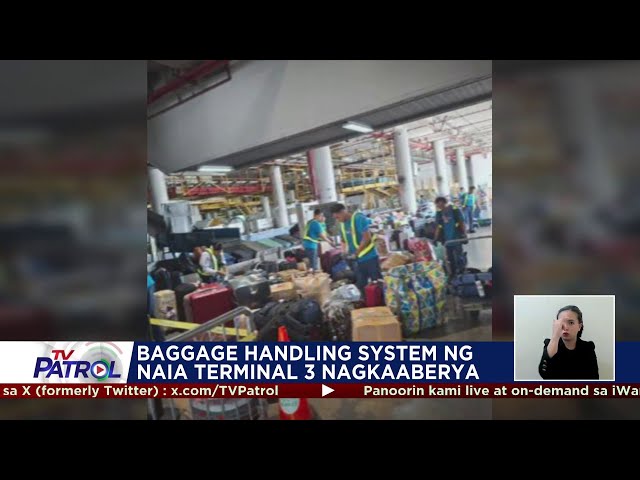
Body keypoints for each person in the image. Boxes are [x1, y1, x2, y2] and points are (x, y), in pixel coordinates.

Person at [331, 203, 381, 293]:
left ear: (343, 212)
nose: (337, 220)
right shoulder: (342, 225)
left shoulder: (358, 218)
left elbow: (366, 238)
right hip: (357, 261)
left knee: (377, 283)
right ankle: (367, 304)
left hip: (369, 258)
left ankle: (382, 305)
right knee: (361, 286)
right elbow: (343, 240)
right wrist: (344, 251)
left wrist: (356, 253)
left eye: (338, 217)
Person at [539, 305, 599, 380]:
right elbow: (544, 374)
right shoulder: (550, 345)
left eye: (570, 323)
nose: (566, 327)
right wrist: (555, 336)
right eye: (561, 323)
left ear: (579, 326)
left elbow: (594, 378)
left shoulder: (588, 347)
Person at [434, 196, 466, 276]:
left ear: (444, 202)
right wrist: (435, 238)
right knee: (450, 258)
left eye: (440, 204)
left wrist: (464, 233)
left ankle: (463, 272)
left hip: (456, 238)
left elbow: (461, 222)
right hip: (447, 240)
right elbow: (438, 227)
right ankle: (454, 274)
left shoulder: (455, 210)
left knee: (459, 256)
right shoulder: (439, 213)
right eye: (437, 205)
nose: (439, 206)